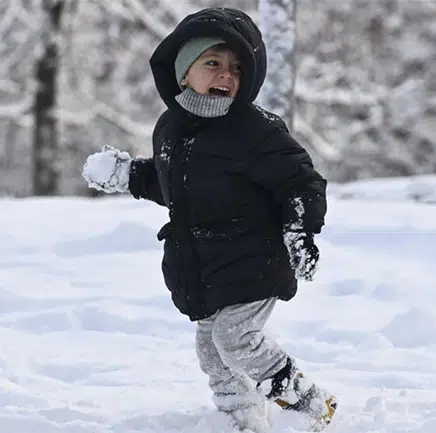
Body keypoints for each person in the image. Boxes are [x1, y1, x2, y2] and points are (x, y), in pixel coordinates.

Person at [81, 7, 336, 432]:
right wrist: (128, 174)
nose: (226, 75)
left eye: (237, 68)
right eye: (213, 63)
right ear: (184, 72)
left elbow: (300, 182)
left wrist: (299, 230)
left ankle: (311, 406)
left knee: (236, 340)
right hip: (206, 266)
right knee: (212, 350)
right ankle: (242, 421)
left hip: (255, 259)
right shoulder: (170, 128)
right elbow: (175, 187)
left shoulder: (257, 131)